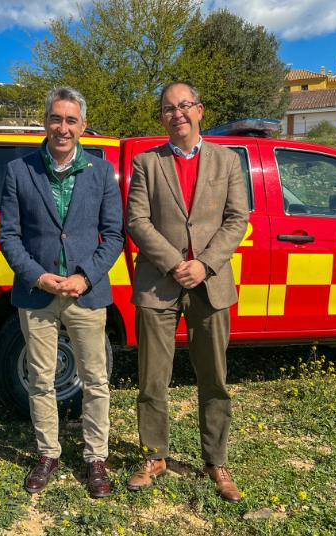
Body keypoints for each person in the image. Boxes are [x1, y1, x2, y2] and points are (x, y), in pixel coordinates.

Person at [0, 87, 124, 498]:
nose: (63, 128)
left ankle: (95, 457)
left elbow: (114, 235)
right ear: (45, 121)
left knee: (96, 380)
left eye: (71, 120)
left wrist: (86, 276)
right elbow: (9, 235)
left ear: (82, 125)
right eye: (56, 119)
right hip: (37, 295)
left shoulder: (102, 172)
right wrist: (38, 276)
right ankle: (48, 453)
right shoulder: (20, 170)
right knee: (41, 379)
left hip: (86, 293)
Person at [125, 82, 249, 502]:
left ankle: (216, 460)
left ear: (200, 110)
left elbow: (237, 219)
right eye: (168, 108)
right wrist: (175, 263)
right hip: (159, 283)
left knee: (214, 378)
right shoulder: (146, 163)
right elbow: (137, 220)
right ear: (161, 117)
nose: (177, 113)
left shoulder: (228, 160)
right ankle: (153, 456)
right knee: (152, 377)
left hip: (210, 285)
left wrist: (204, 263)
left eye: (184, 106)